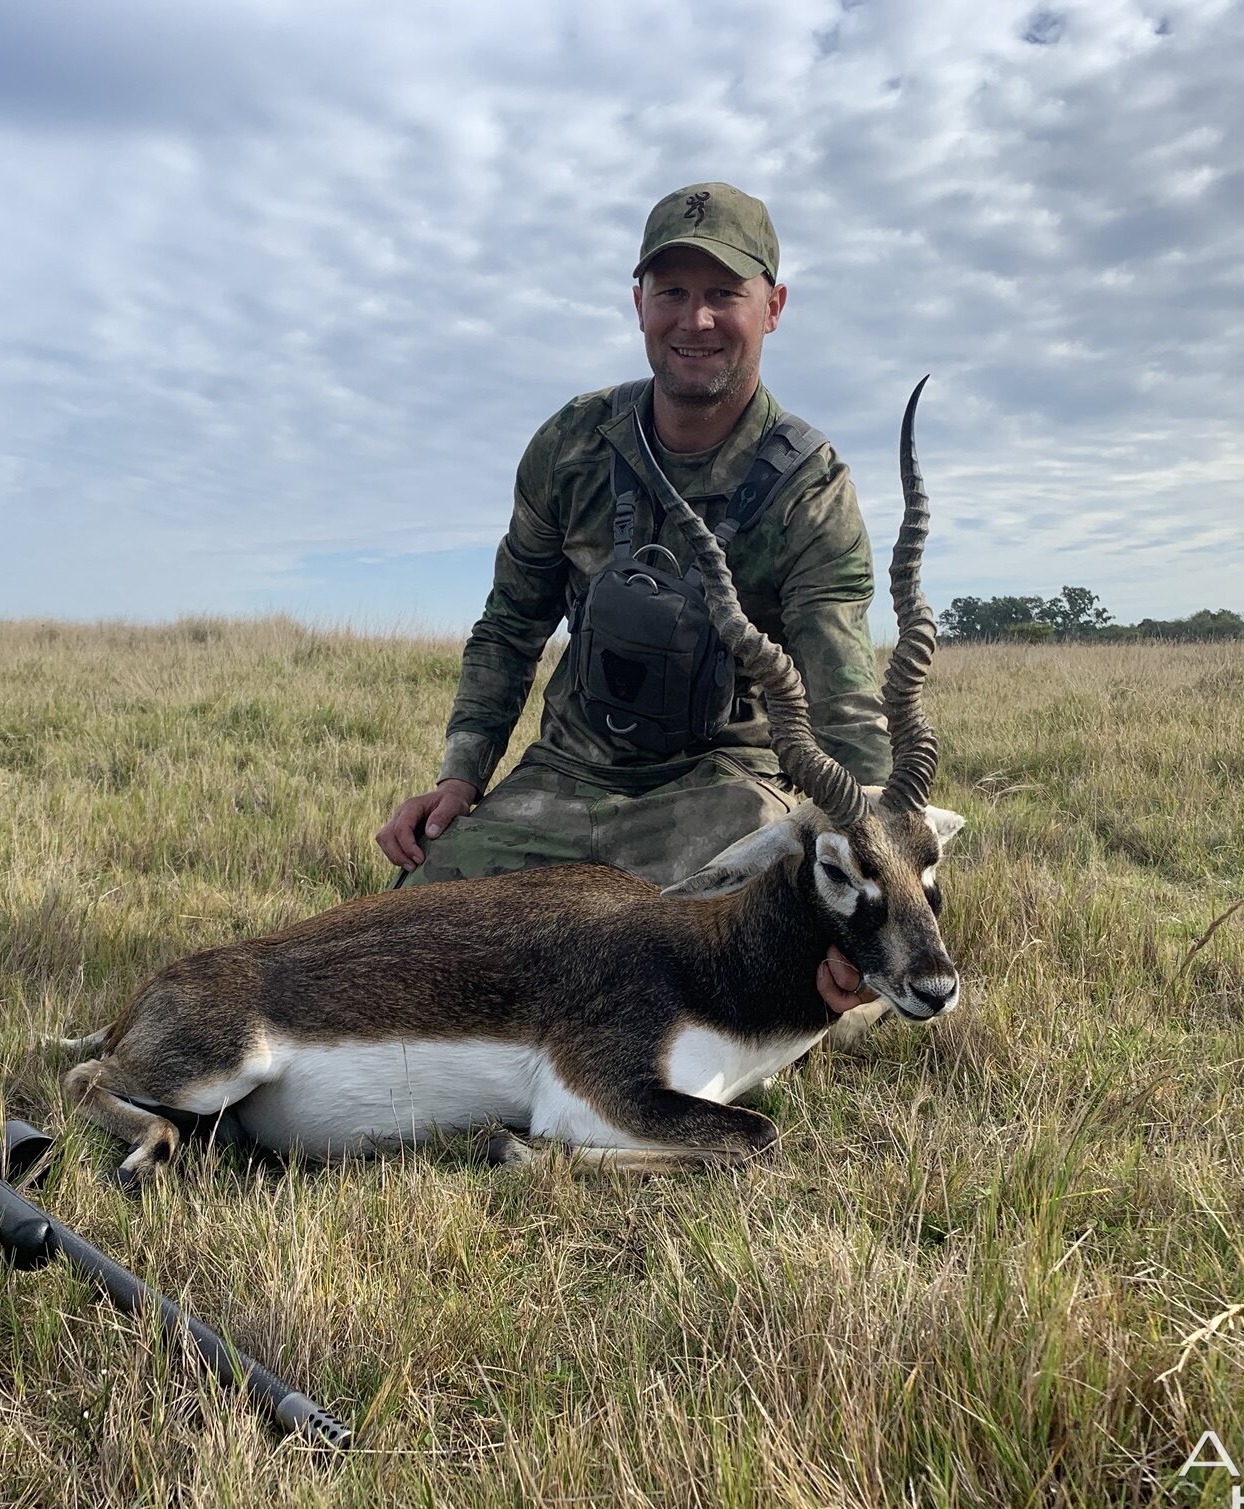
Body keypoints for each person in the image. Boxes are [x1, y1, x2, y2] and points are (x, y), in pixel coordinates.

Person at [375, 182, 886, 1014]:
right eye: (673, 293)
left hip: (723, 781)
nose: (697, 321)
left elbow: (846, 698)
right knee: (408, 941)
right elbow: (509, 627)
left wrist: (876, 877)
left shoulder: (809, 486)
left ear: (774, 306)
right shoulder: (571, 446)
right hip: (571, 772)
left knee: (744, 967)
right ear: (638, 302)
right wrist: (461, 779)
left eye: (725, 293)